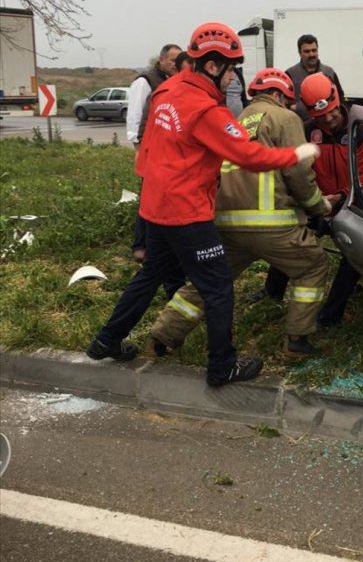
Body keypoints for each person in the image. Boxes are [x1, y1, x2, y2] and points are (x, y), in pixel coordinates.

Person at [86, 23, 320, 387]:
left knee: (149, 276)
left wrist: (153, 187)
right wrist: (298, 152)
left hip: (154, 206)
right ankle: (222, 366)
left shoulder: (166, 90)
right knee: (218, 287)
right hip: (187, 212)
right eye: (231, 71)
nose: (232, 80)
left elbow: (146, 149)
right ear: (213, 66)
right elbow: (248, 155)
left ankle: (107, 339)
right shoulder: (206, 110)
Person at [148, 67, 332, 360]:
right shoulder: (285, 118)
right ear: (278, 95)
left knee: (209, 280)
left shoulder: (235, 121)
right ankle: (297, 341)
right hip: (272, 225)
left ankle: (162, 336)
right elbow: (297, 172)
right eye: (287, 99)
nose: (288, 105)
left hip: (226, 223)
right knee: (313, 265)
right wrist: (318, 206)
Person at [262, 72, 363, 325]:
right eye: (320, 116)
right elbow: (301, 171)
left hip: (352, 206)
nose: (328, 119)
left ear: (338, 100)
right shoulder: (305, 132)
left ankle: (331, 315)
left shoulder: (362, 132)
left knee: (353, 259)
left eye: (332, 112)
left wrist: (342, 197)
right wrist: (314, 200)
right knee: (289, 239)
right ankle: (271, 292)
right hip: (318, 203)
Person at [127, 43, 182, 263]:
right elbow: (135, 116)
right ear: (161, 60)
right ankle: (140, 245)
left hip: (163, 149)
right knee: (147, 196)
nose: (175, 64)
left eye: (178, 61)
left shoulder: (172, 79)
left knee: (159, 197)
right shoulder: (145, 82)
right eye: (172, 60)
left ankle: (157, 244)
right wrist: (138, 148)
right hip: (148, 147)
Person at [286, 33, 345, 120]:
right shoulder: (290, 74)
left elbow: (340, 97)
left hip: (326, 123)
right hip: (302, 125)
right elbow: (285, 104)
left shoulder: (329, 72)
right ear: (299, 53)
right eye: (307, 51)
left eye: (314, 50)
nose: (311, 54)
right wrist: (299, 108)